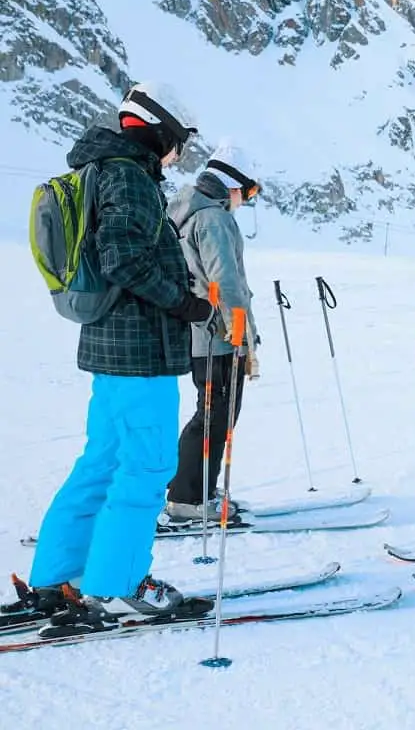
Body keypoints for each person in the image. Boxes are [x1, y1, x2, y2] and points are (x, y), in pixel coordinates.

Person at [15, 82, 217, 634]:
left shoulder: (102, 167)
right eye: (177, 141)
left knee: (101, 461)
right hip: (138, 351)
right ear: (157, 129)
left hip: (109, 346)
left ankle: (59, 576)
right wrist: (185, 304)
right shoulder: (127, 173)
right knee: (146, 467)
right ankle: (117, 586)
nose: (178, 153)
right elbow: (123, 258)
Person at [164, 140, 261, 525]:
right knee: (215, 415)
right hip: (219, 334)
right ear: (232, 184)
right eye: (248, 191)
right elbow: (226, 281)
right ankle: (188, 498)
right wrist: (243, 335)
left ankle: (196, 489)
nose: (246, 199)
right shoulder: (215, 219)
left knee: (210, 413)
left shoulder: (189, 211)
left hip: (201, 332)